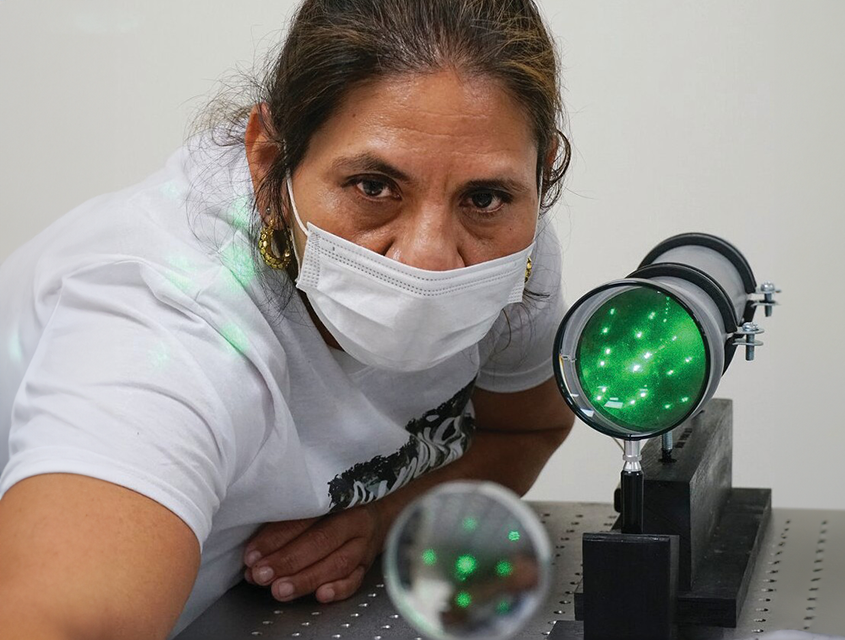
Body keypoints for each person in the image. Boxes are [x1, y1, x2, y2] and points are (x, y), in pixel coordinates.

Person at [0, 0, 574, 638]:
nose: (430, 261)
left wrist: (384, 517)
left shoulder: (508, 256)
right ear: (270, 161)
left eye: (486, 196)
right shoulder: (166, 327)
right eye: (374, 186)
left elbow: (525, 430)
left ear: (539, 171)